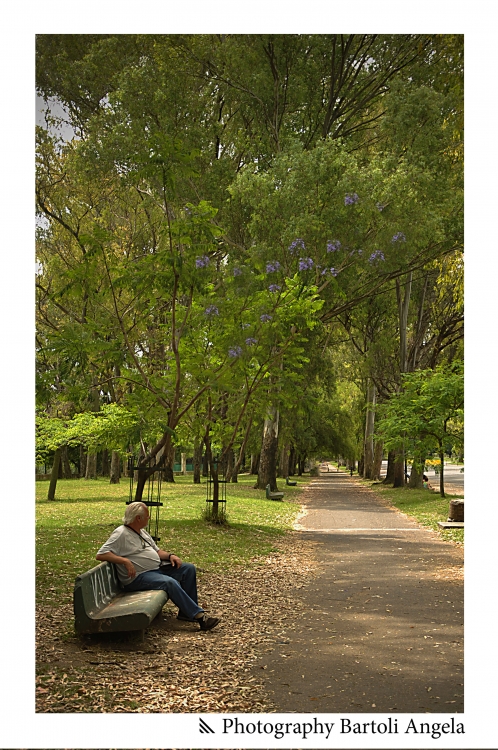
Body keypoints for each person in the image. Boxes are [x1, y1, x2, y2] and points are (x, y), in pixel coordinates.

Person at [96, 501, 220, 631]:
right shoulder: (121, 534)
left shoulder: (141, 532)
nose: (149, 518)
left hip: (156, 569)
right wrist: (125, 561)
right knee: (169, 582)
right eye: (147, 515)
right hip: (138, 578)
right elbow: (101, 554)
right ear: (138, 518)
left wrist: (170, 556)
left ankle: (186, 614)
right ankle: (200, 617)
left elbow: (157, 551)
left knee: (187, 569)